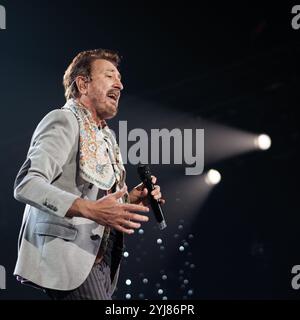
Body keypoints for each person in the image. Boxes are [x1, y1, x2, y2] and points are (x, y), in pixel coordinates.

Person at [13, 48, 165, 300]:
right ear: (82, 84)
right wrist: (89, 209)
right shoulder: (63, 120)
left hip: (100, 263)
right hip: (68, 257)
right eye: (109, 76)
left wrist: (131, 199)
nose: (120, 84)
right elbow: (27, 184)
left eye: (119, 78)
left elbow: (99, 201)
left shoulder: (106, 136)